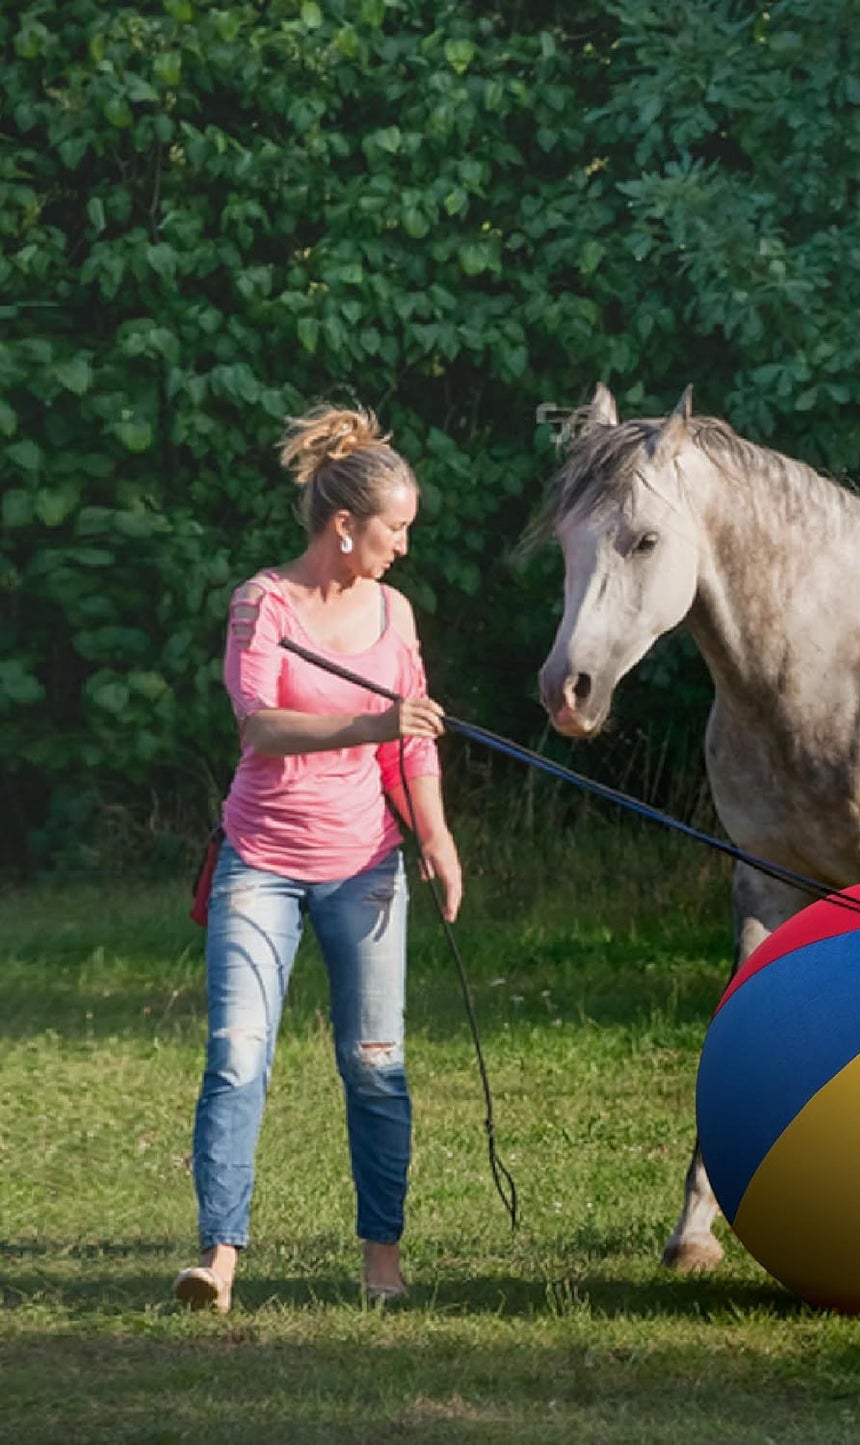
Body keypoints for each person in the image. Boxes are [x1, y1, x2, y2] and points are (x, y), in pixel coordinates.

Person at [173, 404, 464, 1313]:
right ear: (345, 527)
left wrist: (437, 834)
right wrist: (373, 721)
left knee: (376, 1063)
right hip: (259, 861)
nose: (403, 548)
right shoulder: (263, 603)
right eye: (395, 530)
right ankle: (219, 1259)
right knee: (236, 1054)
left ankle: (381, 1261)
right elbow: (257, 722)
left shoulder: (394, 611)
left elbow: (410, 741)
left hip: (365, 865)